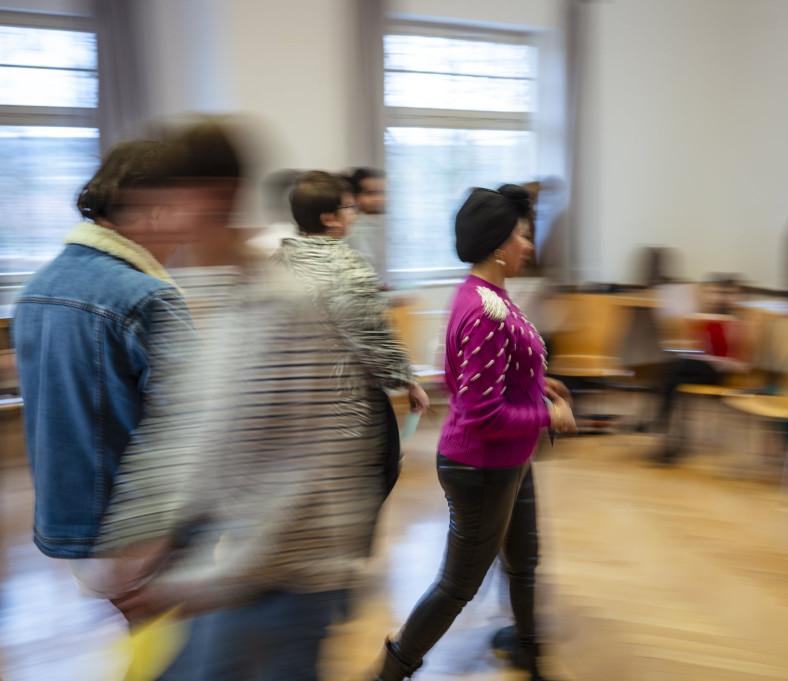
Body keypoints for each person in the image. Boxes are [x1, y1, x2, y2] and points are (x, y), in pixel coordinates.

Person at [103, 153, 426, 680]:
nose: (158, 225)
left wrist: (189, 566)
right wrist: (403, 377)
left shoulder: (276, 272)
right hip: (279, 559)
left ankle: (344, 586)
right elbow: (220, 436)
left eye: (161, 207)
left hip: (285, 568)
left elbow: (281, 470)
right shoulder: (292, 284)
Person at [370, 185, 577, 681]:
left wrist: (533, 383)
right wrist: (550, 416)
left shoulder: (483, 295)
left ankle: (529, 652)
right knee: (457, 586)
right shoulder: (485, 309)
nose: (527, 245)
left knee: (524, 559)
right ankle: (388, 672)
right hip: (482, 465)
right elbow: (482, 413)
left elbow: (459, 378)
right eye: (521, 236)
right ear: (499, 246)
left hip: (509, 459)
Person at [12, 139, 196, 599]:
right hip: (139, 534)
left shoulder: (36, 288)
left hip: (70, 527)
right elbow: (193, 427)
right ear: (157, 211)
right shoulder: (148, 298)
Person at [651, 275, 749, 463]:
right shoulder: (705, 317)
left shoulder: (740, 322)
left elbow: (743, 363)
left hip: (721, 374)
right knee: (673, 380)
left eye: (726, 293)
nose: (720, 298)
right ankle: (671, 445)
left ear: (735, 296)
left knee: (672, 370)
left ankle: (660, 422)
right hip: (700, 369)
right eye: (715, 293)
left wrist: (720, 359)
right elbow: (700, 348)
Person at [345, 167, 387, 276]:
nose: (379, 198)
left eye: (384, 193)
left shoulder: (389, 225)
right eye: (370, 193)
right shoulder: (351, 228)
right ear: (355, 197)